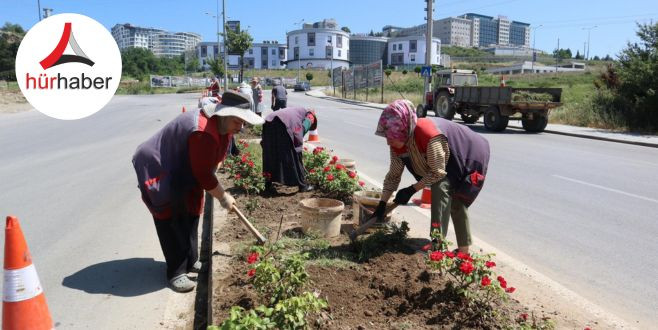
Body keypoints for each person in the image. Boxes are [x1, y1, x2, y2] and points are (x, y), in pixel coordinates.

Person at [132, 91, 264, 292]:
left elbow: (213, 162)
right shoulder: (202, 131)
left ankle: (191, 259)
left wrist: (213, 173)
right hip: (161, 166)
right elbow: (203, 175)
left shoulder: (224, 129)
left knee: (193, 208)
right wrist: (223, 197)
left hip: (185, 167)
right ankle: (176, 272)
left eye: (244, 122)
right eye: (238, 121)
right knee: (171, 217)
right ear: (225, 115)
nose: (241, 127)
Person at [372, 99, 490, 254]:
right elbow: (393, 175)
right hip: (443, 160)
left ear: (404, 131)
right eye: (387, 137)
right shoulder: (396, 145)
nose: (388, 142)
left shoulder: (428, 134)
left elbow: (437, 172)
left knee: (450, 195)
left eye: (392, 137)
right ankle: (462, 251)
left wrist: (412, 189)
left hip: (468, 154)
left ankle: (439, 244)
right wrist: (382, 203)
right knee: (450, 197)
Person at [261, 107, 317, 193]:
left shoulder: (296, 111)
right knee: (294, 155)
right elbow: (301, 131)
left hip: (269, 121)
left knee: (270, 154)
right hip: (283, 124)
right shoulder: (310, 116)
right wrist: (298, 146)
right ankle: (303, 186)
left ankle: (267, 184)